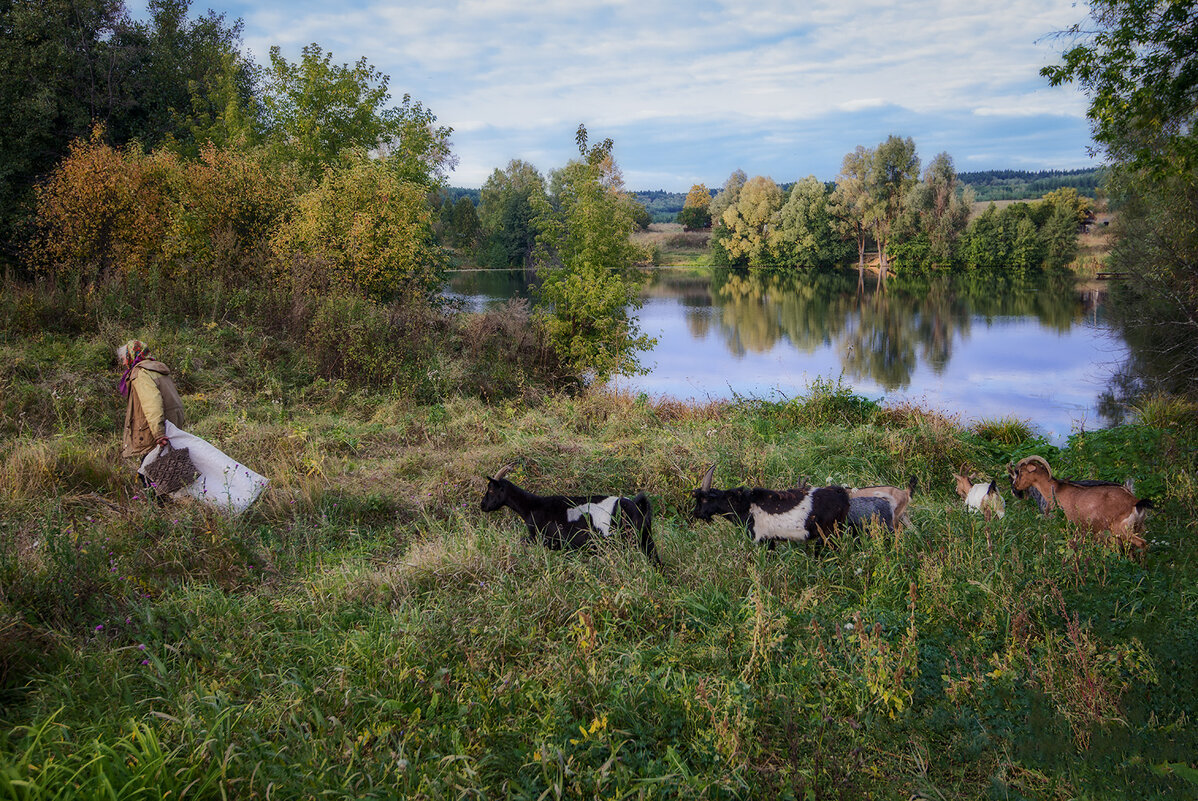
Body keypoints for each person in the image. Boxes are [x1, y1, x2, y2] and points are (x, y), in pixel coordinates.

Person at [117, 340, 185, 487]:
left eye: (123, 358)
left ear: (131, 355)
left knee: (148, 473)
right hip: (171, 423)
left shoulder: (141, 373)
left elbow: (152, 403)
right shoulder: (157, 369)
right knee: (163, 469)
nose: (123, 363)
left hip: (154, 429)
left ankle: (160, 505)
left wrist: (158, 433)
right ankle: (167, 503)